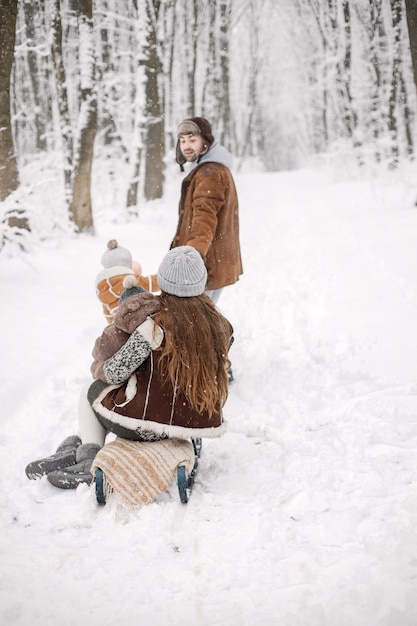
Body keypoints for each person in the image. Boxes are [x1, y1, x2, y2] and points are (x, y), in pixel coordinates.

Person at [25, 246, 233, 491]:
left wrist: (101, 367)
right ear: (200, 283)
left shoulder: (154, 326)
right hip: (194, 420)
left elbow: (115, 372)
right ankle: (82, 446)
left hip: (150, 427)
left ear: (164, 282)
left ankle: (89, 454)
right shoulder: (221, 327)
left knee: (91, 391)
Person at [173, 117, 243, 305]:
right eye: (182, 140)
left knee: (196, 322)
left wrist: (192, 256)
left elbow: (205, 217)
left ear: (206, 141)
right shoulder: (211, 168)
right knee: (205, 318)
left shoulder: (209, 173)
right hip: (214, 258)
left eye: (192, 139)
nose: (186, 145)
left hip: (207, 262)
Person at [96, 239, 159, 324]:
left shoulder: (103, 288)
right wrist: (163, 276)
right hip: (138, 321)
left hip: (120, 326)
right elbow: (152, 283)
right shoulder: (130, 279)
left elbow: (108, 315)